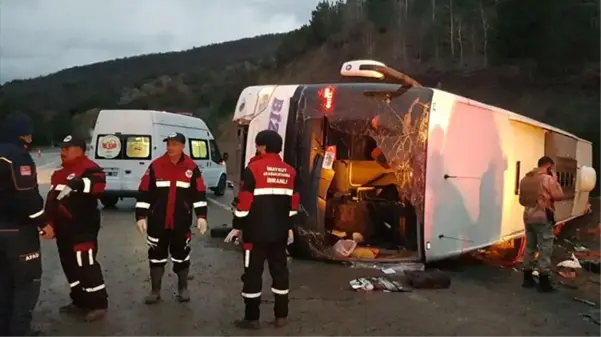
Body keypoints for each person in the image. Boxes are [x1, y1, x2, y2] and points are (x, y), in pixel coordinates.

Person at [224, 130, 298, 330]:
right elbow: (293, 205)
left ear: (263, 146)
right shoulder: (290, 171)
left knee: (253, 274)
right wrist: (289, 228)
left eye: (258, 145)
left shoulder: (253, 169)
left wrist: (236, 227)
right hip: (280, 233)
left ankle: (252, 318)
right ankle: (281, 316)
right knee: (280, 272)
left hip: (254, 234)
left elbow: (244, 203)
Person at [135, 132, 208, 304]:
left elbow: (199, 194)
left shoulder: (191, 168)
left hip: (181, 223)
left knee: (181, 256)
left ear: (183, 146)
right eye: (168, 144)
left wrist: (202, 217)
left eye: (174, 144)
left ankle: (183, 289)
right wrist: (141, 217)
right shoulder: (155, 166)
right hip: (157, 222)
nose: (170, 147)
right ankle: (155, 291)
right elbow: (144, 192)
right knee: (156, 256)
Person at [44, 135, 109, 321]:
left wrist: (77, 184)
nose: (62, 152)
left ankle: (98, 304)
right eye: (62, 148)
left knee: (86, 265)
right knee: (69, 265)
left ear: (80, 150)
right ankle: (79, 300)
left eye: (68, 148)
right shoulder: (59, 173)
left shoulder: (89, 168)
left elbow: (99, 185)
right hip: (64, 229)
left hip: (83, 228)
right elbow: (52, 201)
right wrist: (48, 222)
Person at [0, 112, 53, 337]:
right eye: (29, 135)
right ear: (23, 135)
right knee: (26, 283)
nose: (30, 141)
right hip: (18, 233)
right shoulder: (17, 157)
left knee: (3, 283)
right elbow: (27, 196)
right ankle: (19, 331)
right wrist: (43, 223)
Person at [519, 156, 564, 292]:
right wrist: (555, 180)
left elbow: (521, 200)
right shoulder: (547, 179)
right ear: (549, 166)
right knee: (545, 247)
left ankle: (527, 278)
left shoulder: (525, 179)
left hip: (527, 215)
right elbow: (559, 195)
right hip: (542, 216)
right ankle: (544, 281)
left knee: (530, 246)